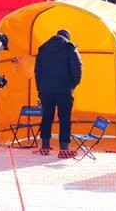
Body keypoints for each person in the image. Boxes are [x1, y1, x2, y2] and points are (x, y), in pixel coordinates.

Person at [33, 29, 82, 158]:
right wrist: (72, 85)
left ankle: (44, 146)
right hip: (64, 90)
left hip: (46, 90)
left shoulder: (43, 49)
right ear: (67, 38)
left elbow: (37, 72)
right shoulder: (70, 48)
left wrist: (40, 88)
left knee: (47, 117)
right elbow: (78, 69)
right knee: (65, 119)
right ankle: (64, 148)